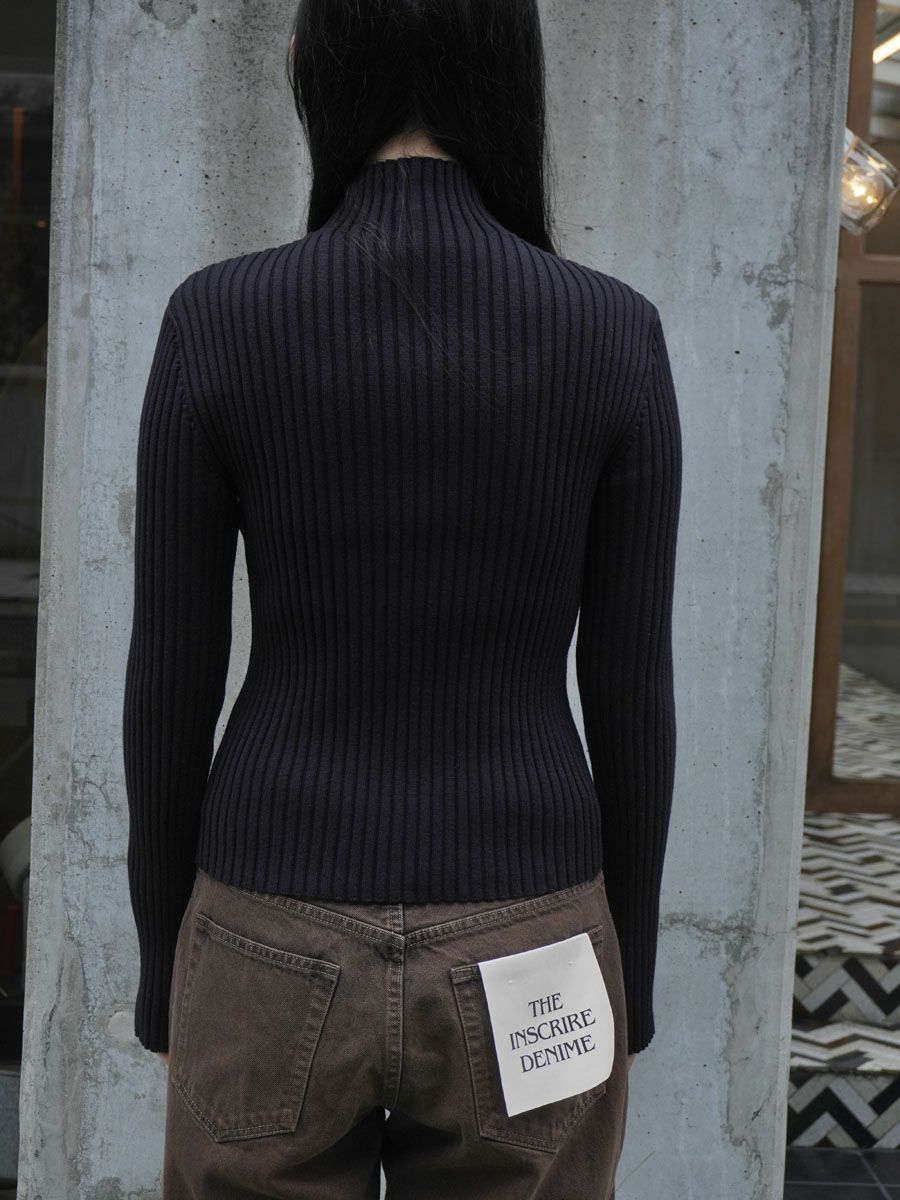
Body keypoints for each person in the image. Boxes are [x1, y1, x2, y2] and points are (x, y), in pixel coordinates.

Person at [122, 1, 682, 1196]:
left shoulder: (217, 317)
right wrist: (628, 965)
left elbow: (169, 679)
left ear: (312, 67)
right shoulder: (614, 332)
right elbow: (632, 688)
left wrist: (165, 959)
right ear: (513, 72)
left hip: (267, 927)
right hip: (531, 931)